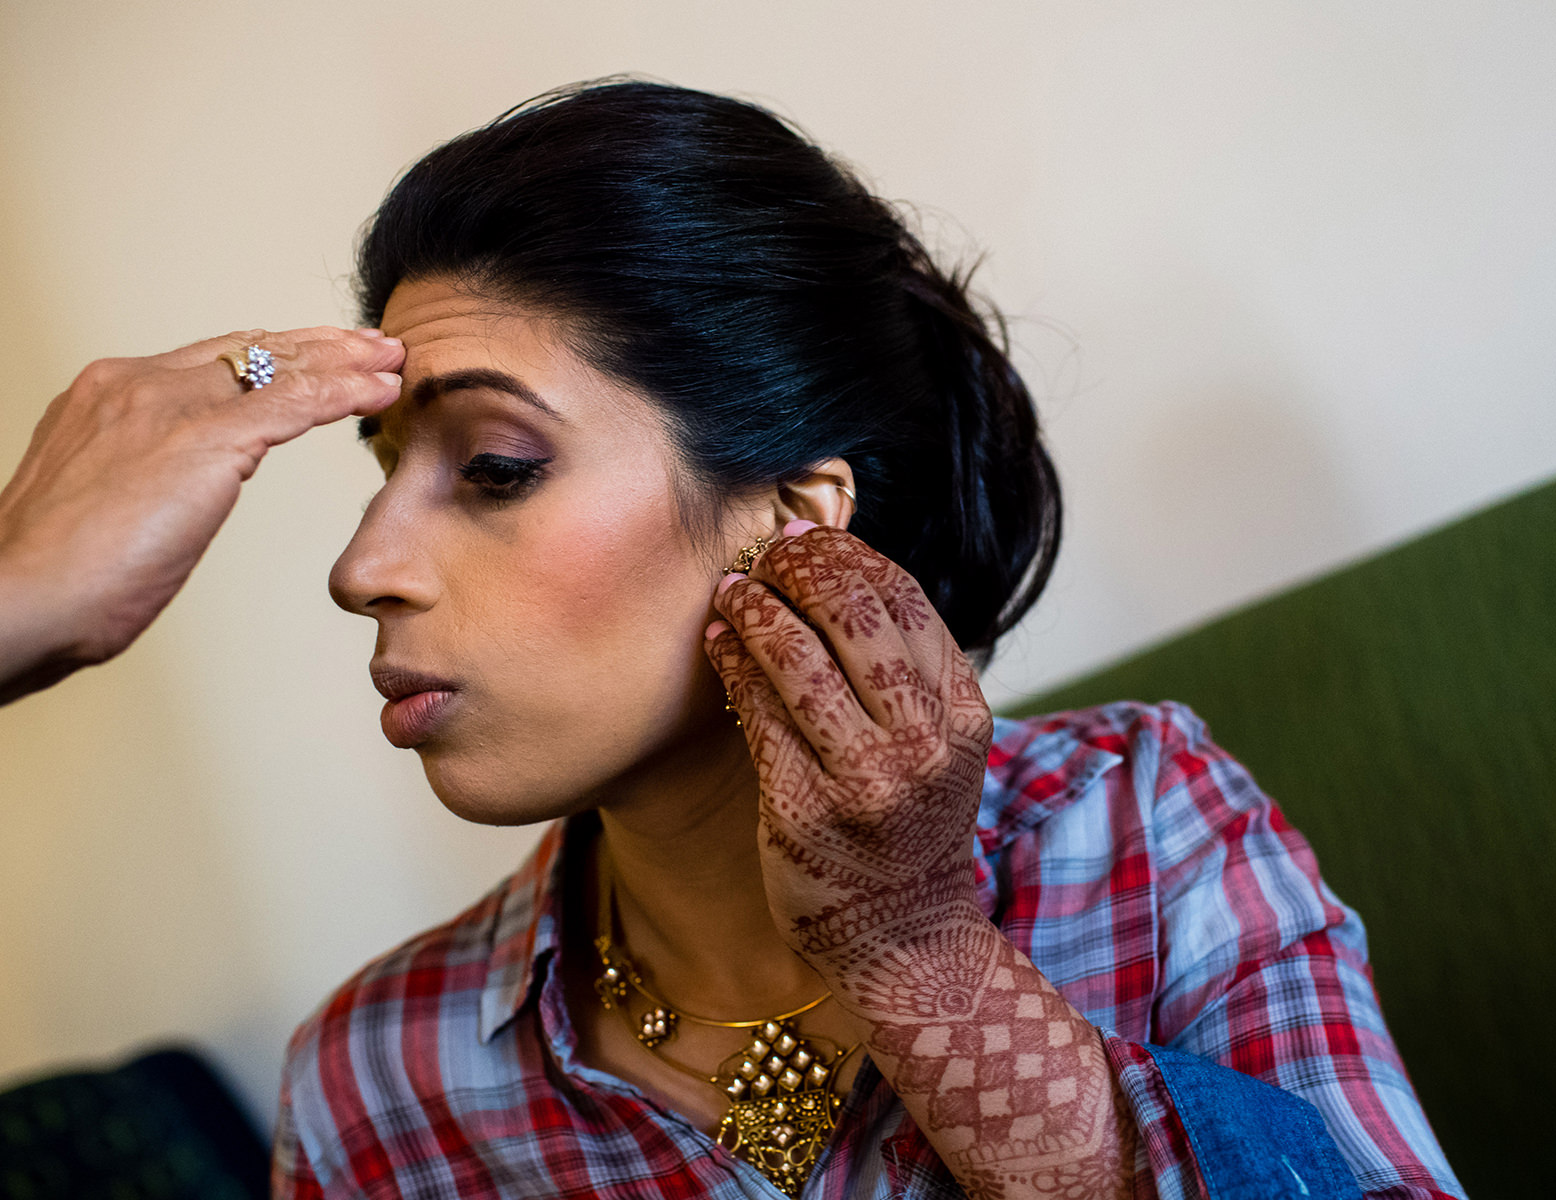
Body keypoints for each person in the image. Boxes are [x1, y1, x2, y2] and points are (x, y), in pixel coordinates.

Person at [0, 79, 1465, 1200]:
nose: (364, 568)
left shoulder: (1136, 823)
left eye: (495, 468)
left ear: (792, 521)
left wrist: (917, 955)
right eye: (385, 476)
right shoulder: (379, 1083)